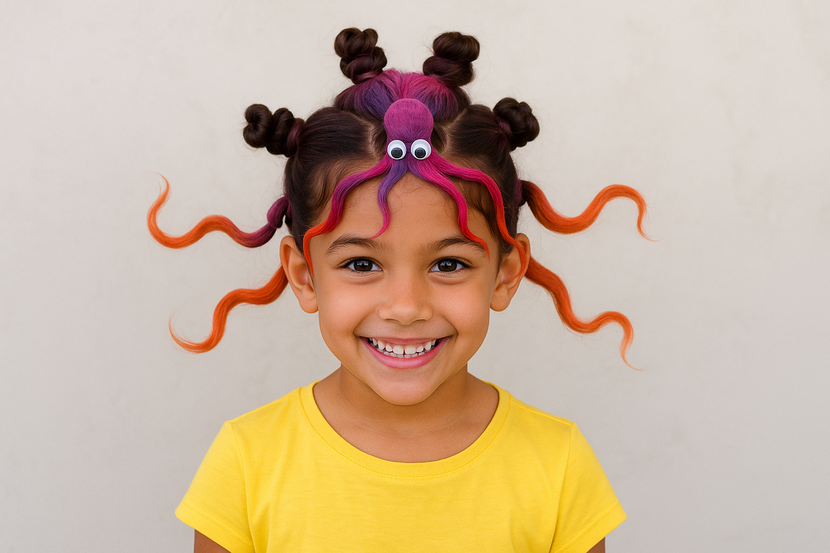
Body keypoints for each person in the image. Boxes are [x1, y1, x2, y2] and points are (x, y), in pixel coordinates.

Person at [148, 27, 647, 553]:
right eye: (362, 263)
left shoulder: (559, 464)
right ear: (303, 274)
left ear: (506, 273)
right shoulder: (246, 462)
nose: (406, 308)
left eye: (448, 264)